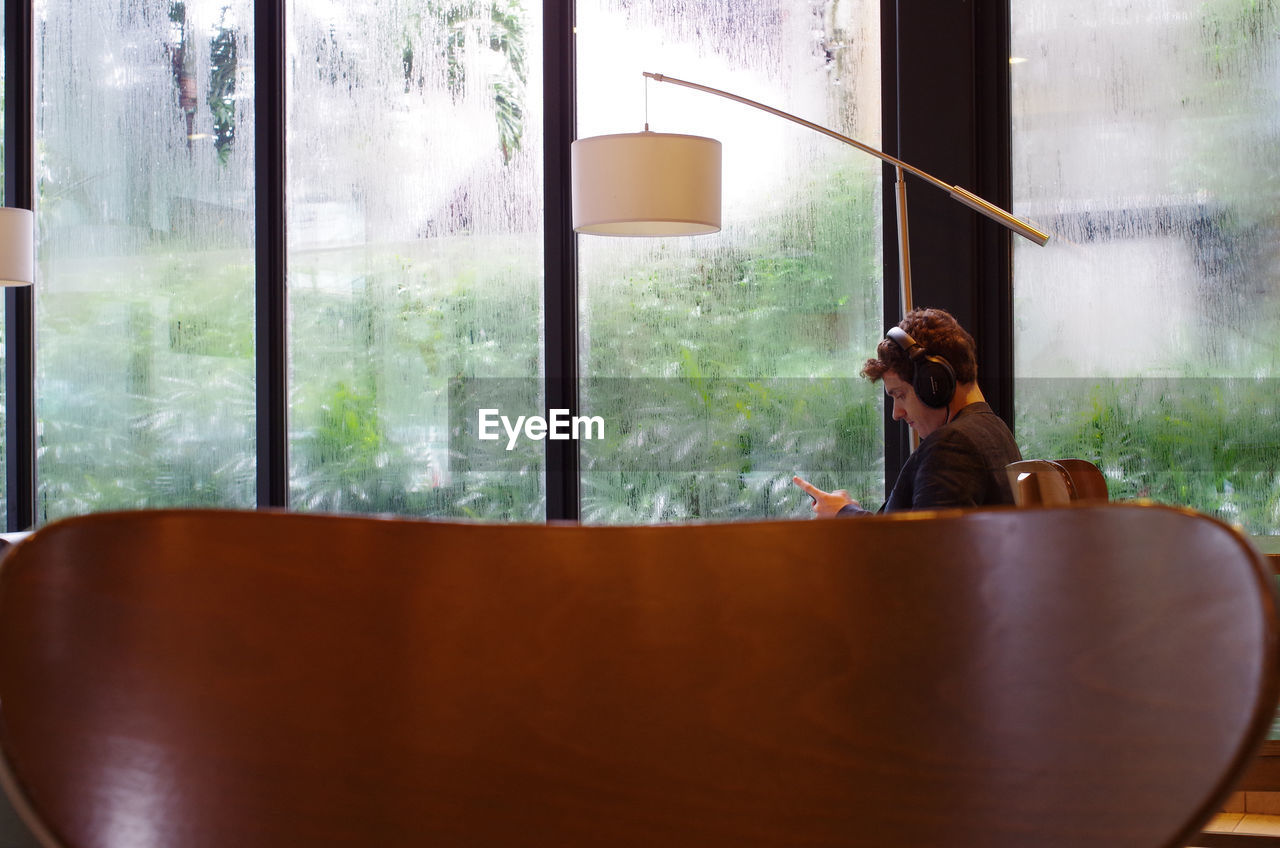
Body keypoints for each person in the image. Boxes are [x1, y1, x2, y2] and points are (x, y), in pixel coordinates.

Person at [793, 307, 1021, 517]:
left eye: (900, 395)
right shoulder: (996, 430)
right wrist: (847, 511)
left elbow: (920, 553)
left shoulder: (952, 445)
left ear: (934, 383)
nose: (897, 413)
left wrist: (845, 516)